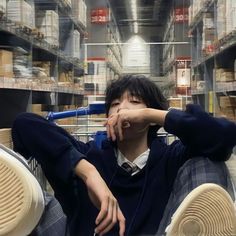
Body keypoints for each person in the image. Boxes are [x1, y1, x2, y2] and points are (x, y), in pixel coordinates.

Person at [11, 74, 236, 236]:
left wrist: (151, 114)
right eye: (116, 104)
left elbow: (224, 136)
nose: (123, 109)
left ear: (151, 118)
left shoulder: (173, 159)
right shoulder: (88, 156)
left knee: (208, 161)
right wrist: (89, 174)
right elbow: (25, 124)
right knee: (20, 181)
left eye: (135, 102)